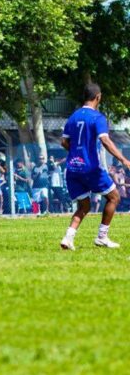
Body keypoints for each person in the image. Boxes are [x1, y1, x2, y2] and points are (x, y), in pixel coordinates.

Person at [59, 83, 130, 250]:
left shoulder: (74, 116)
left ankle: (67, 238)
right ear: (98, 97)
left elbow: (64, 141)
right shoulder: (97, 117)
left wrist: (76, 154)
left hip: (73, 169)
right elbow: (105, 140)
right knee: (114, 197)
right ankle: (102, 237)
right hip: (90, 168)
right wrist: (123, 160)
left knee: (84, 206)